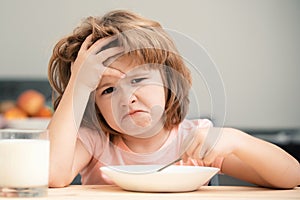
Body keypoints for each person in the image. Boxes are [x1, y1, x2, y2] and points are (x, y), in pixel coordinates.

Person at [47, 10, 300, 188]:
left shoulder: (194, 140)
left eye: (137, 80)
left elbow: (292, 177)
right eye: (107, 90)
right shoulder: (94, 142)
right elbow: (50, 175)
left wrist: (235, 140)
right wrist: (78, 86)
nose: (126, 99)